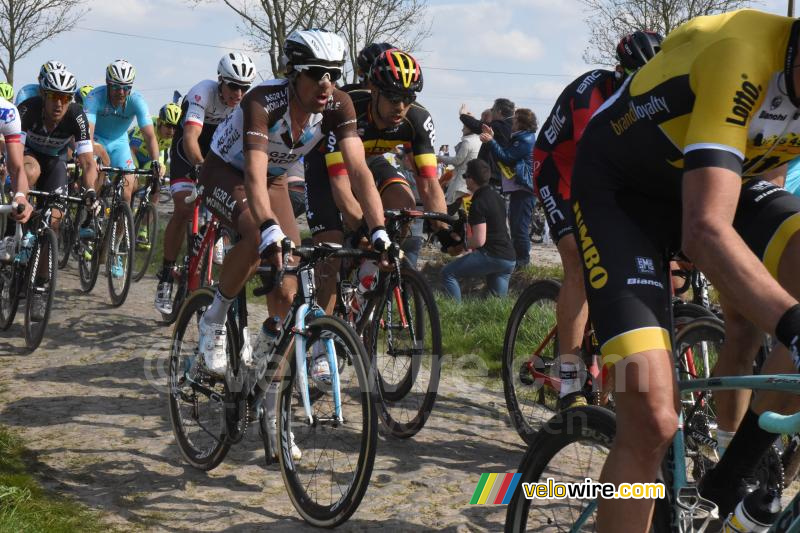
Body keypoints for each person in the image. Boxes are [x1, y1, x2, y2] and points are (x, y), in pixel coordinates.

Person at [569, 10, 800, 531]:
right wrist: (790, 322)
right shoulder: (743, 54)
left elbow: (771, 165)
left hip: (716, 183)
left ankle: (731, 478)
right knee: (652, 421)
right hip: (622, 194)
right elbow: (703, 229)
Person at [530, 30, 663, 408]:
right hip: (559, 171)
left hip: (605, 176)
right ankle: (570, 383)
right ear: (620, 72)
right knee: (580, 262)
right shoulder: (590, 94)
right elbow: (600, 165)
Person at [313, 48, 451, 308]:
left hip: (371, 160)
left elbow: (429, 182)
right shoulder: (349, 109)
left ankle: (368, 281)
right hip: (327, 165)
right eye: (393, 97)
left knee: (404, 205)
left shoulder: (418, 119)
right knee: (332, 255)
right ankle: (326, 321)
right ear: (374, 90)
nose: (401, 106)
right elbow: (341, 185)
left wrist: (443, 229)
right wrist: (363, 229)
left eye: (408, 98)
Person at [153, 52, 256, 315]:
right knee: (184, 208)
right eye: (233, 86)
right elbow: (190, 137)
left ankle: (218, 241)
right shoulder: (203, 93)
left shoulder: (246, 104)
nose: (238, 93)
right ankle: (166, 275)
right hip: (188, 153)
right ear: (220, 81)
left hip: (218, 154)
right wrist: (200, 167)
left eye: (244, 88)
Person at [17, 69, 98, 318]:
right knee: (30, 171)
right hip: (29, 157)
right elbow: (15, 156)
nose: (59, 103)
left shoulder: (76, 115)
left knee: (54, 222)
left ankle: (40, 288)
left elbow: (87, 161)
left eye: (65, 97)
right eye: (54, 96)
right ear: (43, 95)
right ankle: (14, 234)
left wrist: (90, 190)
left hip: (56, 163)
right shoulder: (29, 109)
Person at [84, 60, 164, 200]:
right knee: (95, 182)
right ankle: (91, 208)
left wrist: (155, 162)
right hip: (96, 140)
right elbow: (87, 135)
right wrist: (94, 152)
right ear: (107, 83)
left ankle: (123, 213)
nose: (121, 92)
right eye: (116, 87)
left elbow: (150, 136)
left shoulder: (137, 101)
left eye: (126, 88)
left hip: (119, 142)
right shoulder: (94, 97)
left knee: (127, 190)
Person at [440, 159, 515, 301]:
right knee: (495, 304)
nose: (465, 180)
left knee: (448, 273)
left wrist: (459, 247)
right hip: (509, 257)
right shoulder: (497, 197)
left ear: (472, 179)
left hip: (492, 255)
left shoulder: (478, 202)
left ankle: (453, 311)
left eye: (465, 176)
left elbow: (479, 241)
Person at [480, 107, 538, 269]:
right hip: (519, 189)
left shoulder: (524, 139)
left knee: (519, 228)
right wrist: (492, 138)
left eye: (515, 119)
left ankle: (523, 262)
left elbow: (506, 157)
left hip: (524, 190)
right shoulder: (521, 137)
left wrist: (491, 141)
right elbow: (506, 154)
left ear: (521, 123)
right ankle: (518, 260)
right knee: (516, 226)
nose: (512, 121)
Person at [460, 98, 515, 185]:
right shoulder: (510, 124)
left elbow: (479, 126)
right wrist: (471, 118)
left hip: (494, 174)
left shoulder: (501, 125)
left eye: (492, 109)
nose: (491, 112)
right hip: (501, 173)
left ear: (499, 112)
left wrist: (463, 115)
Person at [439, 118, 480, 207]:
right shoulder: (478, 140)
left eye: (464, 127)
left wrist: (440, 158)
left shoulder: (467, 142)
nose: (462, 129)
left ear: (469, 129)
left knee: (451, 205)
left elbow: (457, 161)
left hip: (460, 182)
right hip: (471, 180)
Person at [129, 102, 181, 170]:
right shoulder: (148, 124)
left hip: (149, 156)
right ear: (159, 121)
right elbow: (133, 148)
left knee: (158, 170)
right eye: (168, 125)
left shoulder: (175, 134)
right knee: (131, 170)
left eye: (175, 127)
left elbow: (163, 154)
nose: (171, 131)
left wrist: (160, 166)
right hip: (132, 150)